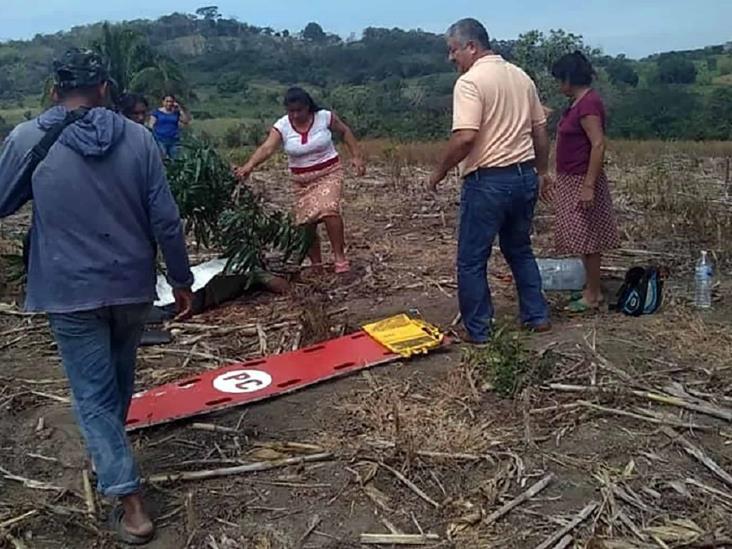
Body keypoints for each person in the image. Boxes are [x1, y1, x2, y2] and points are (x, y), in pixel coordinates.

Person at [0, 49, 194, 545]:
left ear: (53, 90)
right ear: (105, 88)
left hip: (69, 290)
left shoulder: (29, 138)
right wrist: (180, 279)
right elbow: (166, 220)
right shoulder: (141, 138)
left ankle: (130, 503)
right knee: (115, 382)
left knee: (92, 396)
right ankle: (111, 456)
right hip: (131, 285)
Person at [429, 18, 551, 343]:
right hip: (524, 176)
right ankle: (537, 316)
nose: (451, 58)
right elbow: (540, 130)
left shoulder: (470, 83)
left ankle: (479, 330)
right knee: (520, 250)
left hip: (488, 181)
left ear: (472, 46)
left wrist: (440, 170)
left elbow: (465, 137)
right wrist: (542, 171)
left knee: (471, 259)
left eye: (453, 50)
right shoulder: (521, 76)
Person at [235, 87, 365, 274]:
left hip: (328, 173)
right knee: (306, 222)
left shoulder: (324, 117)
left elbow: (345, 132)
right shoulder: (282, 126)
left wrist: (356, 156)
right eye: (291, 111)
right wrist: (248, 166)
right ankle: (316, 264)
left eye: (299, 111)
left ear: (308, 108)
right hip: (301, 182)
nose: (295, 115)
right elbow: (267, 149)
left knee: (329, 210)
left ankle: (339, 257)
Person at [548, 52, 620, 312]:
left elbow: (598, 144)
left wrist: (588, 185)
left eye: (560, 80)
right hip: (571, 178)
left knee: (588, 236)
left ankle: (593, 294)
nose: (558, 85)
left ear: (569, 78)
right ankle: (590, 287)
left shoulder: (588, 104)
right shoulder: (577, 103)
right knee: (581, 236)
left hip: (582, 178)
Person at [150, 94, 190, 159]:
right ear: (163, 102)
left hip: (174, 140)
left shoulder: (176, 113)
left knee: (176, 160)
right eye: (167, 101)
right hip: (160, 140)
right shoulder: (157, 112)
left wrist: (180, 109)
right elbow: (151, 126)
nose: (169, 103)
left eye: (171, 101)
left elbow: (186, 121)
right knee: (163, 160)